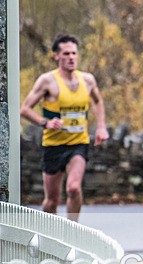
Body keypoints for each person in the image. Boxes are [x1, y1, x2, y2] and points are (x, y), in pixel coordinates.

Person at [20, 33, 109, 222]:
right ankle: (49, 235)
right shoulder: (47, 81)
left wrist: (101, 127)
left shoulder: (88, 80)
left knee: (73, 187)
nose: (71, 58)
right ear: (56, 56)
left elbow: (98, 101)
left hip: (78, 143)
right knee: (52, 201)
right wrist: (46, 123)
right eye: (66, 54)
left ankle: (72, 232)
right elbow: (25, 109)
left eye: (74, 53)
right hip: (53, 145)